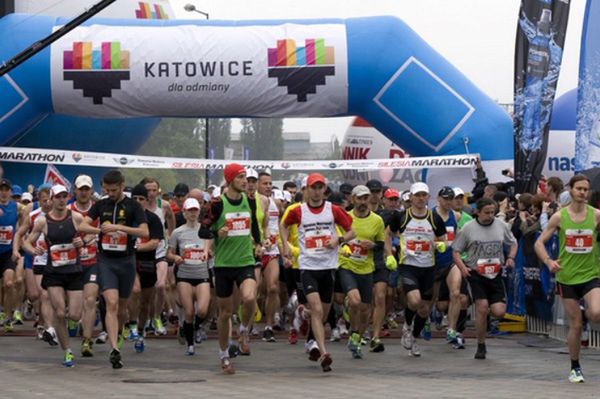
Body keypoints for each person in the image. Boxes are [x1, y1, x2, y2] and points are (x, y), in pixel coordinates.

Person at [281, 173, 354, 372]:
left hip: (328, 267)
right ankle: (323, 353)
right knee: (318, 310)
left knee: (321, 314)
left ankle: (302, 313)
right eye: (313, 187)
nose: (316, 191)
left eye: (320, 187)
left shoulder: (334, 210)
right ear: (306, 189)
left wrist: (338, 240)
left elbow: (351, 231)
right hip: (308, 267)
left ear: (325, 190)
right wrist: (286, 246)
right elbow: (283, 225)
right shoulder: (299, 211)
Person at [79, 170, 149, 369]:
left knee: (121, 307)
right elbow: (84, 226)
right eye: (107, 190)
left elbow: (144, 231)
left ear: (122, 185)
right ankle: (114, 349)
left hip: (126, 261)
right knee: (111, 302)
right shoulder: (101, 205)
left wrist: (121, 228)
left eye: (114, 189)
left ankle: (117, 335)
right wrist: (100, 230)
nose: (110, 193)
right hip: (106, 261)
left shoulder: (133, 205)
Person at [535, 174, 600, 383]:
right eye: (579, 189)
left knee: (597, 313)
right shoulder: (559, 217)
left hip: (591, 274)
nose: (583, 192)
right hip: (567, 277)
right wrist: (549, 262)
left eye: (585, 189)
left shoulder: (596, 215)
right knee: (576, 325)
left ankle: (588, 309)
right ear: (570, 190)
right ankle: (575, 366)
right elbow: (539, 243)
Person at [200, 163, 262, 375]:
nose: (245, 181)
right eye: (240, 177)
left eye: (245, 177)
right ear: (229, 180)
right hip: (224, 265)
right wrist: (218, 234)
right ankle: (224, 354)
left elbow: (253, 224)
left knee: (250, 298)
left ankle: (244, 330)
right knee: (225, 313)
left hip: (245, 260)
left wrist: (259, 243)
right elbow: (202, 231)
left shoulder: (249, 199)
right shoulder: (217, 204)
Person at [23, 184, 85, 367]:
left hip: (73, 271)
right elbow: (27, 242)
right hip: (54, 272)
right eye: (58, 196)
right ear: (51, 198)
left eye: (64, 196)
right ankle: (67, 351)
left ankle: (73, 323)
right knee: (59, 312)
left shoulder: (76, 217)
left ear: (68, 197)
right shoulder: (42, 221)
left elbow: (90, 236)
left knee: (74, 314)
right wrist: (34, 250)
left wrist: (82, 241)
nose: (61, 199)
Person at [386, 182, 446, 357]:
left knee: (425, 309)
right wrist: (389, 254)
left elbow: (443, 239)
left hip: (428, 266)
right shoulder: (401, 217)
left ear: (428, 197)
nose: (420, 199)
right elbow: (387, 234)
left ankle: (413, 336)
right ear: (411, 197)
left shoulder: (434, 218)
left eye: (424, 195)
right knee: (414, 301)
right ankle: (407, 326)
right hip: (408, 265)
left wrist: (441, 245)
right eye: (417, 195)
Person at [452, 197, 517, 360]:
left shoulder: (501, 225)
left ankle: (486, 319)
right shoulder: (468, 228)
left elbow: (513, 243)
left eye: (493, 212)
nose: (490, 216)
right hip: (476, 273)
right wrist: (462, 267)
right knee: (481, 307)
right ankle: (481, 345)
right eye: (486, 213)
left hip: (495, 273)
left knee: (499, 311)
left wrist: (511, 257)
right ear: (477, 212)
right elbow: (456, 251)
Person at [338, 185, 389, 359]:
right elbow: (338, 238)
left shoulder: (377, 220)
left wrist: (373, 245)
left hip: (366, 268)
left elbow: (381, 244)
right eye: (359, 198)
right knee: (355, 301)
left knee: (366, 309)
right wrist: (344, 246)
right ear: (352, 199)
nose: (362, 202)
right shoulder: (345, 217)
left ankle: (356, 337)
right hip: (347, 265)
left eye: (365, 198)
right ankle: (353, 330)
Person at [168, 198, 211, 356]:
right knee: (189, 312)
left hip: (202, 273)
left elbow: (211, 251)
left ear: (199, 212)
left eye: (195, 210)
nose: (193, 213)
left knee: (202, 310)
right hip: (184, 275)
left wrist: (209, 253)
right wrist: (175, 258)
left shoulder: (205, 230)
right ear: (184, 212)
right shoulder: (177, 232)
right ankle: (190, 344)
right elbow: (169, 254)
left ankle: (194, 327)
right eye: (190, 210)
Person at [68, 175, 100, 357]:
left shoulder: (98, 210)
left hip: (93, 261)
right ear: (75, 190)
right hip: (71, 264)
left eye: (87, 189)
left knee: (90, 300)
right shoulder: (68, 210)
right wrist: (74, 240)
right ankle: (73, 319)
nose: (83, 192)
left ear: (91, 191)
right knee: (74, 312)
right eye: (81, 189)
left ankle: (87, 341)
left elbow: (104, 230)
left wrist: (91, 237)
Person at [0, 179, 21, 332]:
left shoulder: (17, 207)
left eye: (6, 189)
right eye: (1, 189)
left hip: (8, 253)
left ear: (11, 192)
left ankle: (8, 317)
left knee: (9, 284)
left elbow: (33, 209)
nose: (4, 192)